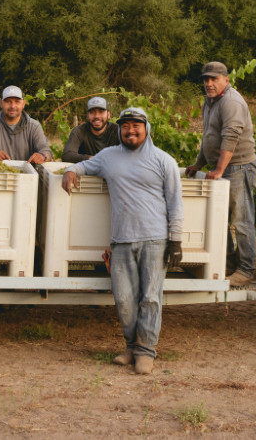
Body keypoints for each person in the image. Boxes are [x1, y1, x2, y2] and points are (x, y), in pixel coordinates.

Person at [62, 107, 182, 375]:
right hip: (121, 240)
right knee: (124, 299)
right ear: (120, 129)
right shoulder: (109, 157)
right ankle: (131, 347)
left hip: (155, 239)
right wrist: (70, 171)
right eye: (125, 126)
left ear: (146, 128)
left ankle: (146, 352)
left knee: (150, 297)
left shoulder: (164, 161)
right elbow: (82, 165)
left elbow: (175, 203)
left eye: (136, 126)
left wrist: (176, 241)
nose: (130, 131)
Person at [184, 61, 256, 288]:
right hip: (223, 167)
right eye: (206, 79)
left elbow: (231, 137)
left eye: (213, 79)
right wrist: (199, 163)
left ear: (226, 80)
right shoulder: (210, 101)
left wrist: (218, 169)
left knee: (241, 220)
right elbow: (209, 135)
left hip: (239, 167)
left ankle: (246, 270)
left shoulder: (231, 102)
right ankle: (226, 264)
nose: (208, 83)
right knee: (219, 219)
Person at [0, 85, 52, 164]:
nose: (12, 106)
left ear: (23, 104)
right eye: (8, 101)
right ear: (1, 103)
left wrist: (42, 156)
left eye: (17, 101)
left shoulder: (34, 126)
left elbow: (46, 151)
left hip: (29, 176)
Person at [61, 96, 120, 163]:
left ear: (108, 115)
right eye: (92, 112)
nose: (97, 116)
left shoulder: (118, 131)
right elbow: (67, 155)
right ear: (87, 115)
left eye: (101, 112)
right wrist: (93, 159)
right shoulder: (79, 131)